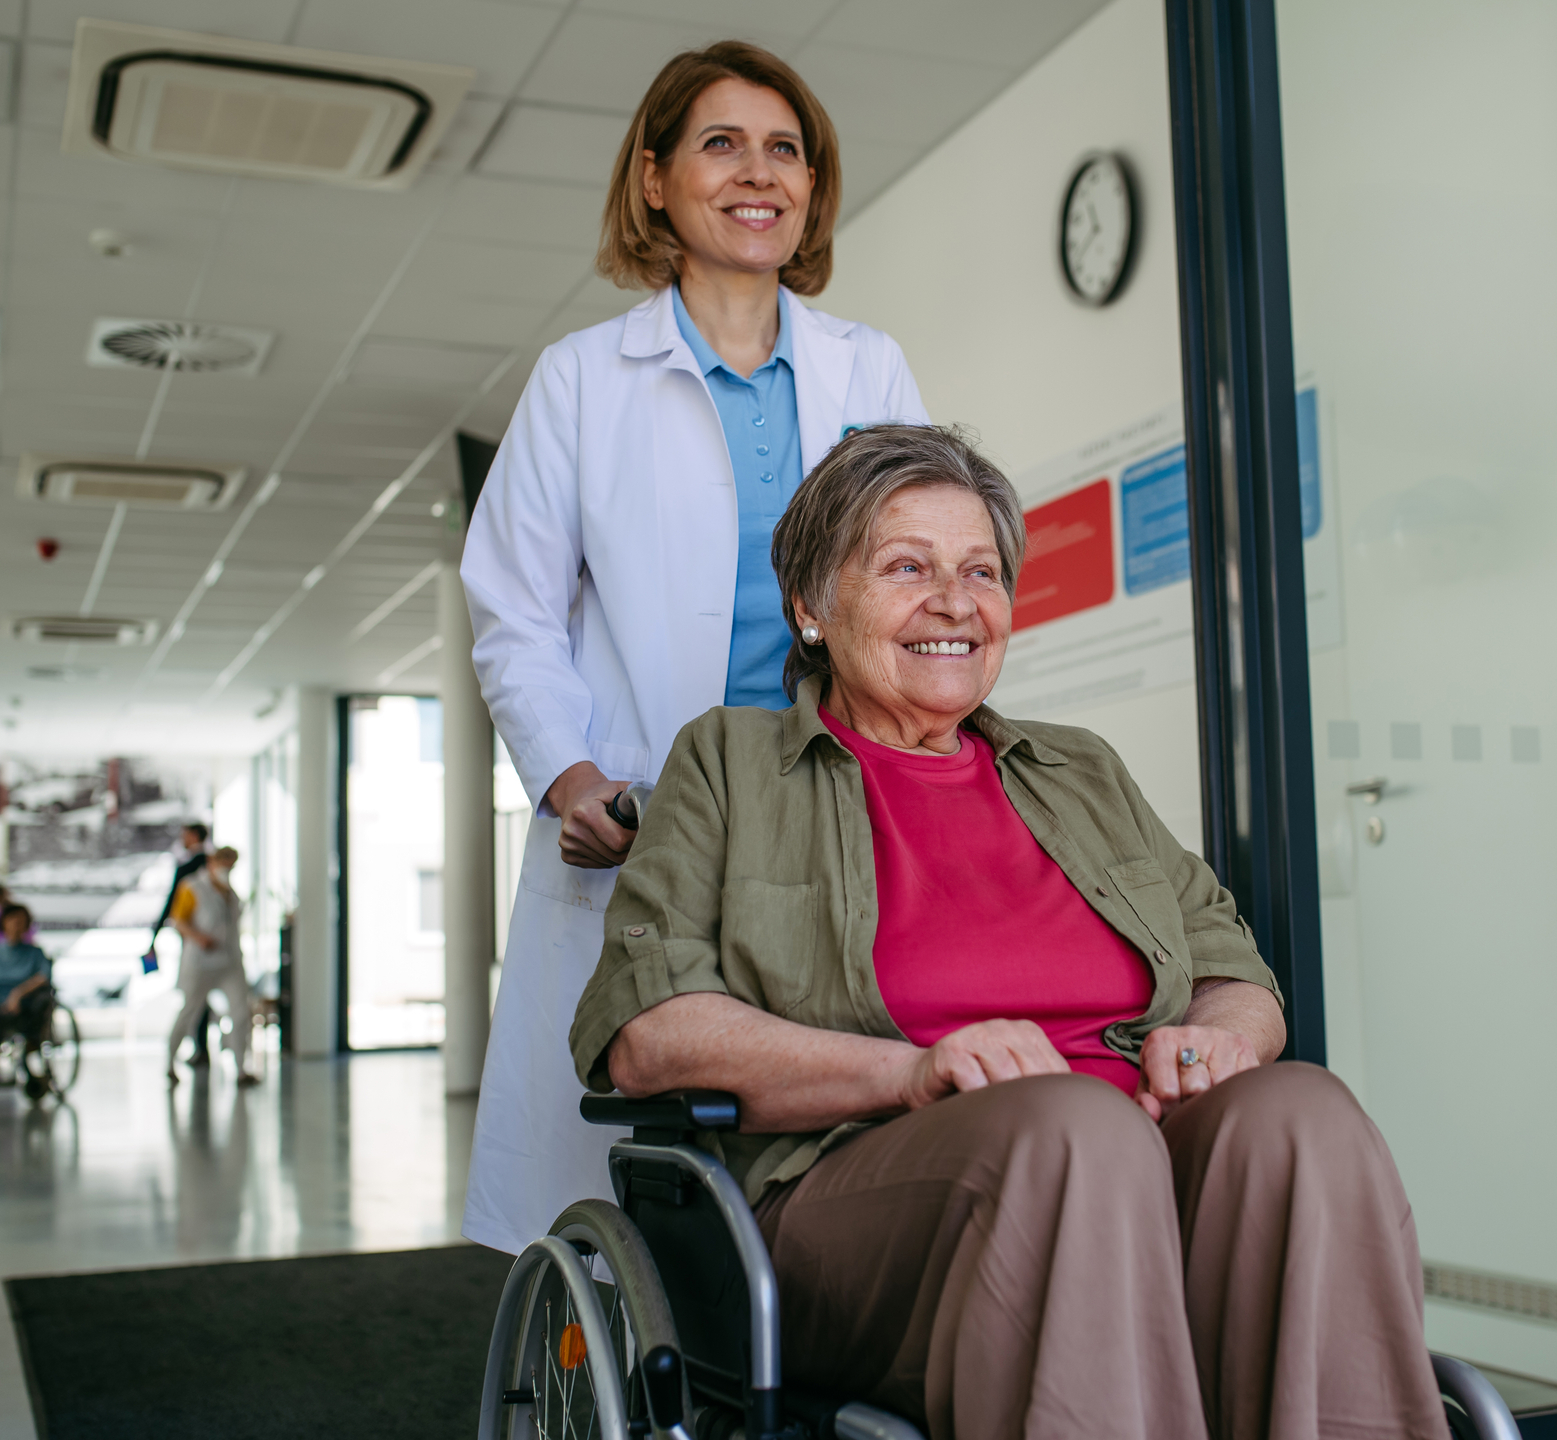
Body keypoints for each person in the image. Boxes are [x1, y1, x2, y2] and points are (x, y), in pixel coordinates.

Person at [570, 426, 1450, 1440]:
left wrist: (1225, 1038)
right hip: (865, 1196)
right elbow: (649, 1034)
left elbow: (1234, 973)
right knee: (1076, 1130)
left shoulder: (1079, 771)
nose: (955, 601)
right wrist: (911, 1071)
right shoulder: (730, 762)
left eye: (980, 571)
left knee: (1304, 1113)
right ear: (813, 606)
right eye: (909, 567)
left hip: (1137, 1163)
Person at [461, 40, 928, 1254]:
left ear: (813, 190)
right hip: (654, 812)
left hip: (835, 805)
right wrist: (566, 774)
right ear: (657, 179)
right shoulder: (581, 381)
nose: (757, 172)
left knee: (834, 1144)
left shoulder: (866, 370)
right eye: (721, 144)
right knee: (637, 1166)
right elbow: (512, 607)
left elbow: (915, 575)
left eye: (786, 149)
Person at [164, 846, 257, 1088]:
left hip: (229, 961)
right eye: (224, 864)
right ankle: (169, 1064)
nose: (227, 870)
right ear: (212, 863)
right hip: (200, 962)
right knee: (189, 1013)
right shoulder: (192, 887)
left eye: (231, 866)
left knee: (240, 1013)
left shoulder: (231, 894)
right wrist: (198, 937)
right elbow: (177, 920)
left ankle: (240, 1069)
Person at [145, 821, 214, 1066]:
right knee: (200, 995)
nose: (181, 838)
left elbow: (172, 905)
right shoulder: (210, 865)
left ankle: (196, 1047)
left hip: (196, 940)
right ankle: (200, 1046)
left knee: (194, 995)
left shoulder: (188, 868)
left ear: (194, 836)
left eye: (184, 834)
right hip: (211, 939)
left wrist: (155, 934)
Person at [0, 903, 55, 1045]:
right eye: (13, 919)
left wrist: (17, 993)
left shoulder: (35, 953)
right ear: (4, 922)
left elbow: (43, 976)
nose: (17, 924)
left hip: (27, 1001)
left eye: (21, 920)